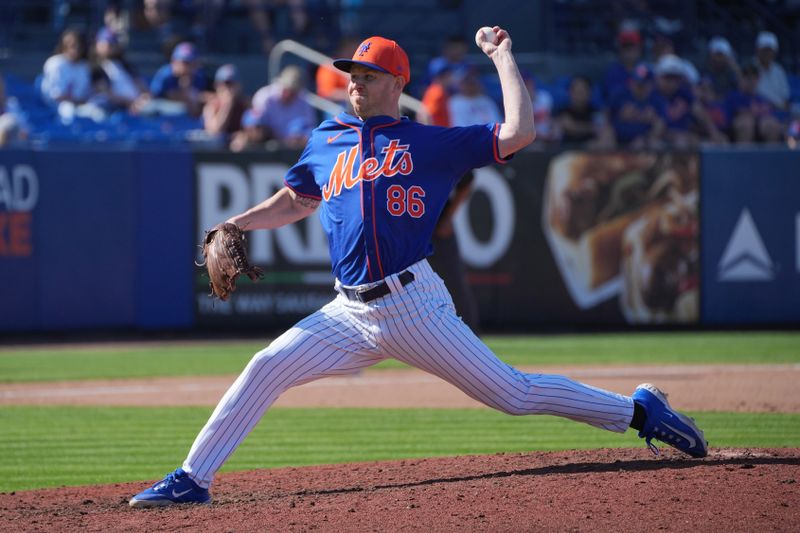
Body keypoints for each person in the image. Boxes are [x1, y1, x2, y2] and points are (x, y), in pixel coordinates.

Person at [128, 29, 707, 508]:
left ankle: (639, 411)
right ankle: (192, 478)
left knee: (514, 393)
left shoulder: (430, 143)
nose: (356, 83)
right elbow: (298, 200)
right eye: (352, 74)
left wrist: (504, 58)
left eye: (369, 75)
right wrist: (238, 223)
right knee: (264, 368)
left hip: (412, 305)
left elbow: (520, 133)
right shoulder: (327, 137)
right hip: (347, 310)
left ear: (398, 83)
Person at [251, 65, 316, 148]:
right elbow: (255, 127)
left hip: (296, 148)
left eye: (294, 91)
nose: (289, 93)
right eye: (287, 88)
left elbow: (311, 127)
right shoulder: (263, 96)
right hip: (266, 144)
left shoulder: (303, 99)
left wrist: (300, 137)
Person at [726, 62, 785, 144]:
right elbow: (735, 113)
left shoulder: (761, 98)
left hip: (760, 126)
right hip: (735, 129)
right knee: (746, 123)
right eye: (747, 77)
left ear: (758, 79)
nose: (751, 80)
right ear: (741, 78)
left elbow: (769, 114)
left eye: (754, 77)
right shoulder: (733, 96)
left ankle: (770, 156)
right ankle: (743, 155)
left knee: (772, 125)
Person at [609, 62, 664, 148]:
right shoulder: (620, 95)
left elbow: (660, 125)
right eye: (637, 83)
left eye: (643, 84)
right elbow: (605, 117)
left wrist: (646, 139)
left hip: (645, 142)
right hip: (618, 142)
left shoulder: (657, 99)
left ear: (651, 84)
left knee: (656, 145)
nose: (639, 87)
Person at [147, 41, 210, 116]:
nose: (188, 67)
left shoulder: (198, 77)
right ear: (174, 61)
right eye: (184, 62)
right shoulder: (165, 75)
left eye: (191, 63)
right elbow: (153, 97)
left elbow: (198, 101)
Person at [92, 27, 146, 112]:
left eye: (113, 43)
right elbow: (105, 92)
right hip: (116, 107)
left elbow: (142, 86)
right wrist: (129, 103)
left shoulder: (126, 65)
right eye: (108, 43)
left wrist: (144, 98)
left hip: (138, 105)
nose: (111, 47)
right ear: (98, 44)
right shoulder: (95, 67)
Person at [556, 75, 613, 148]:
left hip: (592, 150)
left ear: (589, 93)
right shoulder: (563, 111)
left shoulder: (595, 112)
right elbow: (570, 127)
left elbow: (603, 128)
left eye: (582, 91)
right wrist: (591, 128)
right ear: (570, 92)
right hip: (568, 150)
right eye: (576, 91)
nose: (579, 95)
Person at [40, 28, 91, 109]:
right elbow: (56, 96)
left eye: (80, 46)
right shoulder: (56, 63)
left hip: (79, 106)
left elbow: (85, 94)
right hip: (53, 107)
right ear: (64, 46)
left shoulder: (84, 67)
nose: (77, 49)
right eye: (73, 45)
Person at [202, 64, 249, 139]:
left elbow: (255, 131)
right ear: (216, 86)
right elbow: (215, 131)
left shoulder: (245, 104)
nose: (227, 89)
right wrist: (228, 105)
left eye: (231, 84)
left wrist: (243, 136)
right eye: (224, 84)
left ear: (239, 86)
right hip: (216, 147)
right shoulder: (212, 105)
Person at [602, 27, 643, 101]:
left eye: (632, 47)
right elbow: (610, 97)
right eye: (626, 47)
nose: (629, 51)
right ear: (620, 50)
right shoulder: (612, 73)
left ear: (639, 49)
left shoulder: (647, 70)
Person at [753, 31, 790, 112]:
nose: (767, 53)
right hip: (759, 111)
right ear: (757, 50)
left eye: (770, 50)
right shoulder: (750, 68)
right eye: (764, 50)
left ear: (775, 51)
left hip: (779, 111)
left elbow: (786, 98)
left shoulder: (779, 70)